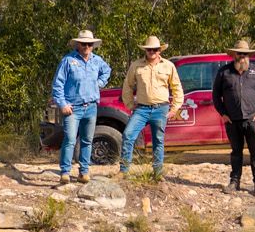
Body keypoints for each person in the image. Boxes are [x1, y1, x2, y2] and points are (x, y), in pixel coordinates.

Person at [119, 36, 186, 178]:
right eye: (149, 49)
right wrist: (130, 105)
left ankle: (157, 172)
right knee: (128, 135)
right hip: (141, 109)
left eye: (155, 49)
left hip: (161, 108)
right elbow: (128, 86)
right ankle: (123, 170)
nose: (152, 51)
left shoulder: (168, 66)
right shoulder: (136, 65)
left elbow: (177, 88)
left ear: (159, 50)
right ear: (145, 50)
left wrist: (174, 109)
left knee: (158, 140)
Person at [211, 38, 255, 194]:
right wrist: (223, 114)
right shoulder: (224, 72)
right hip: (232, 120)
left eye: (245, 54)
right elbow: (216, 95)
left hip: (253, 120)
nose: (242, 56)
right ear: (234, 55)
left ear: (248, 55)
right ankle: (234, 182)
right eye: (239, 53)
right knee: (236, 152)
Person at [52, 29, 111, 184]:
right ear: (78, 44)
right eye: (84, 43)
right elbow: (58, 84)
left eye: (89, 44)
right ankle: (65, 172)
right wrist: (62, 104)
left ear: (93, 45)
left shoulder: (97, 61)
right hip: (73, 107)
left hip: (91, 106)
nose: (86, 46)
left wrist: (99, 84)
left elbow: (107, 71)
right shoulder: (68, 60)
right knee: (70, 139)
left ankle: (84, 172)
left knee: (87, 140)